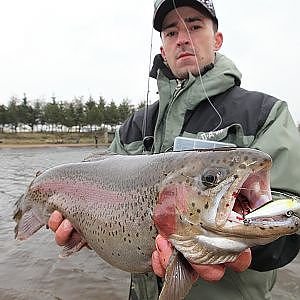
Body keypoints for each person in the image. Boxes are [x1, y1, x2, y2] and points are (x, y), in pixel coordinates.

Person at [48, 0, 300, 299]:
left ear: (217, 39)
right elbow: (100, 195)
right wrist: (85, 228)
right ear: (162, 49)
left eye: (194, 26)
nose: (182, 38)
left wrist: (252, 249)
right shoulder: (135, 125)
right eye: (171, 32)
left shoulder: (264, 113)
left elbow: (291, 213)